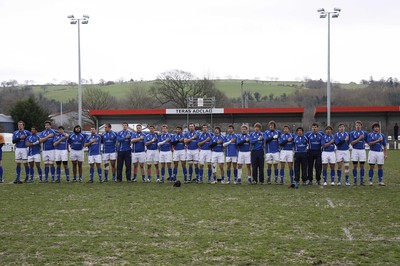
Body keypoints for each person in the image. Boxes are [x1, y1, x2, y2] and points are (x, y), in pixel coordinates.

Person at [350, 120, 367, 185]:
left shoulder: (364, 133)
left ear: (361, 126)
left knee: (362, 165)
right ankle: (355, 180)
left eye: (359, 125)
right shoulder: (352, 133)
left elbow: (368, 141)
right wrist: (359, 138)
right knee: (354, 166)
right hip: (355, 150)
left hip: (362, 150)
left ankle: (362, 180)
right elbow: (352, 143)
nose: (358, 126)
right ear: (355, 126)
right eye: (357, 125)